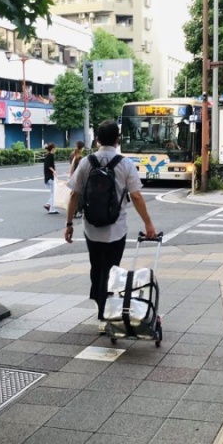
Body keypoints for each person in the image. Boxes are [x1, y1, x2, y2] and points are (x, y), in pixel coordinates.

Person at [64, 120, 157, 329]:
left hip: (91, 228)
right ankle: (107, 312)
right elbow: (137, 197)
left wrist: (69, 223)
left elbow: (73, 195)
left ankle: (100, 309)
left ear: (97, 139)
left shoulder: (87, 162)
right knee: (113, 269)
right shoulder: (125, 164)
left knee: (96, 268)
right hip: (117, 229)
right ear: (118, 139)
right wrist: (148, 225)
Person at [69, 140, 86, 218]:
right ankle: (78, 211)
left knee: (74, 194)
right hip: (79, 176)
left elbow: (71, 166)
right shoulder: (79, 157)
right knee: (79, 195)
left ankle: (74, 212)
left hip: (73, 176)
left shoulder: (72, 154)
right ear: (82, 148)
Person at [43, 143, 59, 214]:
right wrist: (54, 171)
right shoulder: (50, 156)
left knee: (53, 193)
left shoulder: (48, 155)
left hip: (47, 178)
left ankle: (48, 204)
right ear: (53, 149)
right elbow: (49, 166)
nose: (55, 150)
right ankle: (52, 209)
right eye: (55, 148)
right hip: (50, 177)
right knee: (54, 193)